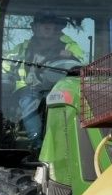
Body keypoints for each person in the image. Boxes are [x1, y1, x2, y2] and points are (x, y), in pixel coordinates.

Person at [12, 12, 78, 141]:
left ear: (56, 28)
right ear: (34, 27)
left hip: (61, 88)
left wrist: (71, 56)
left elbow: (83, 67)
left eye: (51, 23)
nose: (47, 26)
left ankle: (70, 141)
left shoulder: (70, 47)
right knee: (28, 101)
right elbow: (6, 65)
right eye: (43, 22)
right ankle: (37, 143)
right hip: (31, 89)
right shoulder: (22, 48)